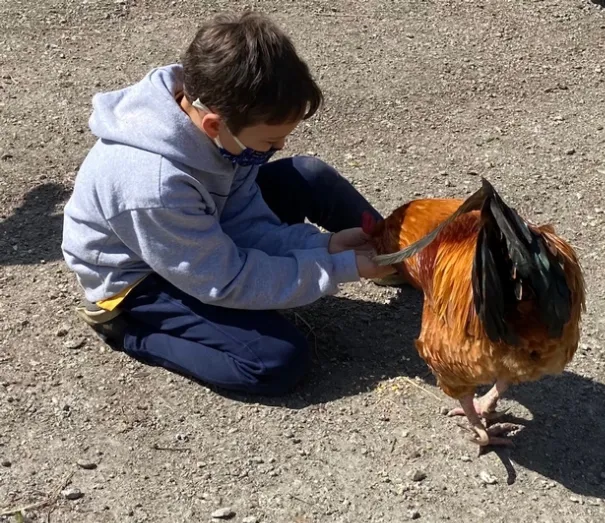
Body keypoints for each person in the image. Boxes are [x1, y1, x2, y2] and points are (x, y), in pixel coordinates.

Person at [61, 11, 402, 397]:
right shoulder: (152, 185)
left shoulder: (222, 129)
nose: (279, 148)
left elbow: (243, 223)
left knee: (309, 174)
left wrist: (322, 246)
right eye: (269, 142)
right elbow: (226, 280)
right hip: (141, 278)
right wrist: (339, 268)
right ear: (213, 125)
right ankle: (130, 332)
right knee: (275, 362)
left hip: (196, 232)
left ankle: (402, 258)